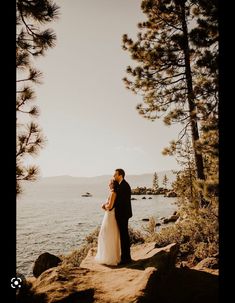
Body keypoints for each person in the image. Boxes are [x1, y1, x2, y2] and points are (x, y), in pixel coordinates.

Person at [94, 179, 121, 265]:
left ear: (113, 185)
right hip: (109, 215)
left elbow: (110, 206)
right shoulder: (113, 193)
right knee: (109, 234)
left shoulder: (113, 193)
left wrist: (103, 206)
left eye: (109, 184)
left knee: (107, 235)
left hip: (110, 216)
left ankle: (109, 258)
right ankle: (109, 256)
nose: (108, 185)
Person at [112, 168, 133, 265]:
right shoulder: (121, 185)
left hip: (123, 215)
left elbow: (120, 202)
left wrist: (110, 206)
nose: (114, 176)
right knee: (123, 235)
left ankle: (126, 258)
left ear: (120, 175)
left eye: (115, 174)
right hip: (123, 214)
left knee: (124, 236)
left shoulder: (124, 186)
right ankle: (125, 257)